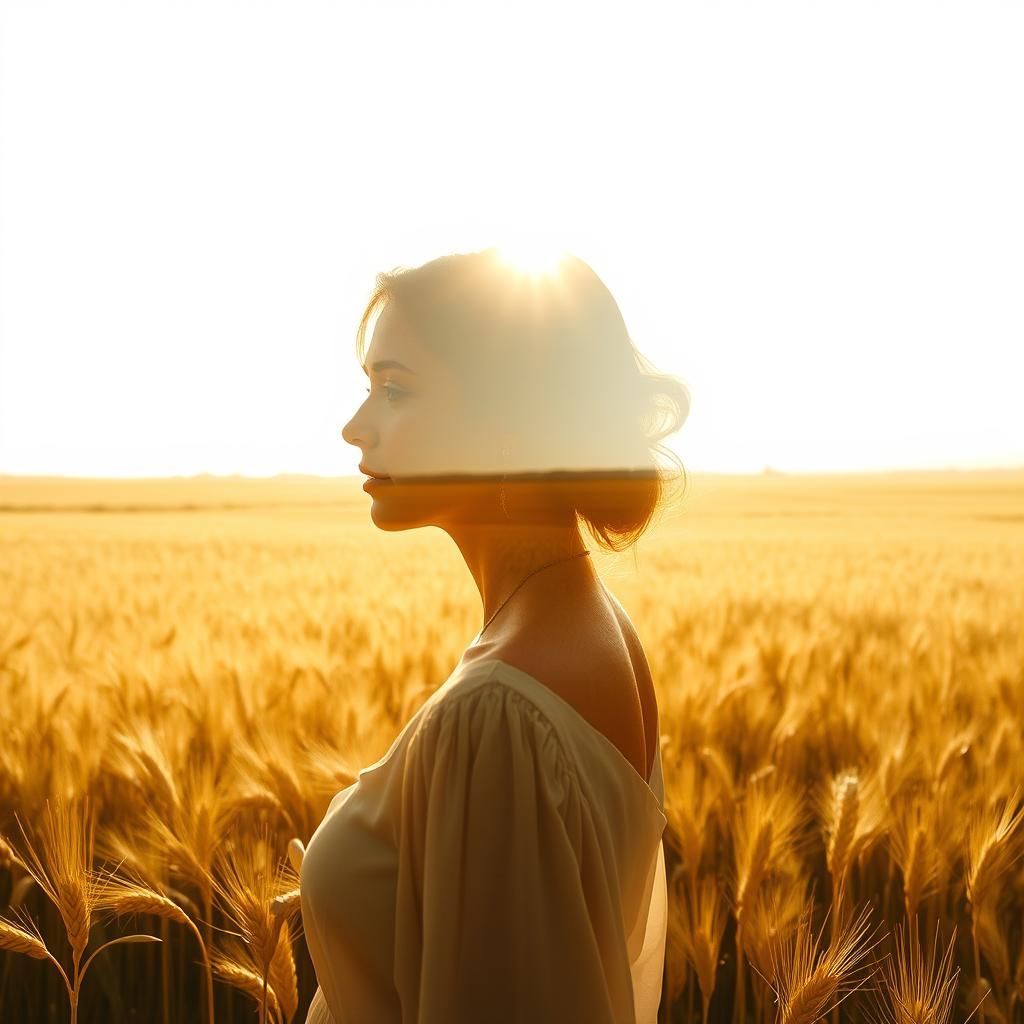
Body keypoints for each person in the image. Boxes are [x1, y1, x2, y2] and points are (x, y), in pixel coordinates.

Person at [299, 246, 691, 1023]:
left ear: (508, 419)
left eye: (394, 389)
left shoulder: (502, 712)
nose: (353, 427)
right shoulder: (591, 625)